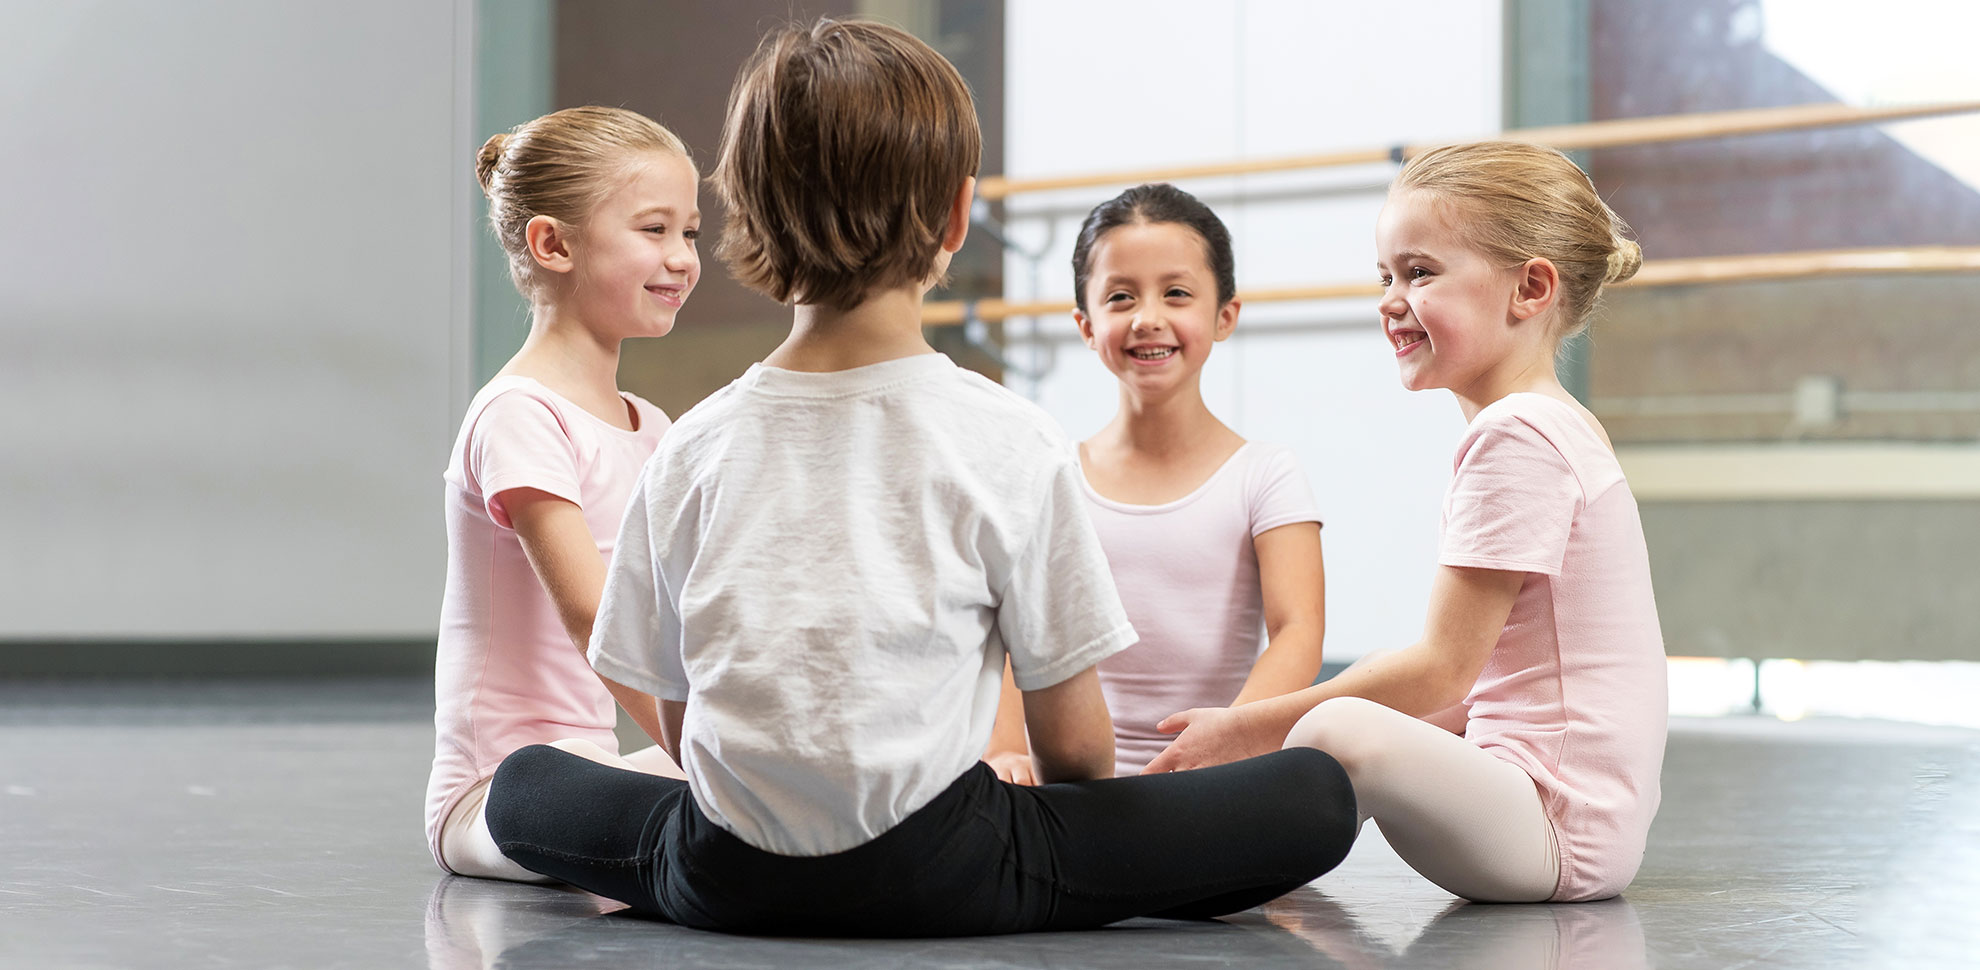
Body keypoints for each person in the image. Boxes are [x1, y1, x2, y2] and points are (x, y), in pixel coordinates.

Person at [482, 18, 1358, 937]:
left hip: (723, 872)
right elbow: (1073, 751)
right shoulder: (1012, 438)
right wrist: (1091, 828)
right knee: (1312, 797)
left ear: (746, 211)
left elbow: (669, 704)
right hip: (950, 867)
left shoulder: (690, 446)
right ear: (954, 215)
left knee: (525, 786)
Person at [1146, 141, 1667, 904]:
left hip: (1552, 827)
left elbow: (1442, 669)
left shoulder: (1515, 433)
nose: (1390, 298)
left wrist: (1244, 728)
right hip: (1576, 829)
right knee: (1358, 712)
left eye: (1420, 273)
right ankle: (1226, 844)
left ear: (1530, 288)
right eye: (1385, 276)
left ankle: (1188, 861)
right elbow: (1473, 684)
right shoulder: (1558, 423)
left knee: (1341, 730)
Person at [426, 106, 699, 882]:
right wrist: (703, 756)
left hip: (599, 769)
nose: (681, 258)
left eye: (690, 233)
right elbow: (595, 618)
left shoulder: (654, 427)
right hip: (501, 794)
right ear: (553, 244)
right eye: (654, 230)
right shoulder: (519, 414)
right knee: (725, 804)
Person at [984, 183, 1325, 780]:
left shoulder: (1266, 474)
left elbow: (1298, 632)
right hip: (1075, 784)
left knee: (1321, 790)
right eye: (1120, 297)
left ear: (1225, 316)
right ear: (1086, 325)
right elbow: (1021, 639)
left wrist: (1224, 744)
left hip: (1212, 777)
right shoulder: (1052, 475)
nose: (1148, 318)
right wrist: (1007, 751)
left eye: (1176, 293)